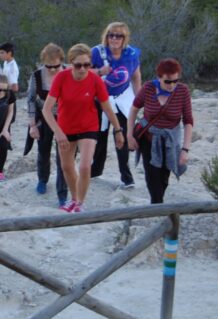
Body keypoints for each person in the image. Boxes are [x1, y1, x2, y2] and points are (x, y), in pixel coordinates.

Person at [42, 44, 124, 212]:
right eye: (78, 65)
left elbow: (107, 107)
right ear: (71, 63)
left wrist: (118, 130)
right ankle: (73, 198)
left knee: (85, 166)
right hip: (65, 128)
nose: (82, 69)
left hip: (89, 126)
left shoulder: (94, 80)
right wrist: (57, 132)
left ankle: (80, 203)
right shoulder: (61, 77)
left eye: (87, 65)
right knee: (67, 167)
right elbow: (46, 109)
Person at [127, 58, 194, 204]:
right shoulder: (148, 88)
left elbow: (188, 121)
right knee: (152, 175)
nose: (172, 85)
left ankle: (158, 203)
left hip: (170, 141)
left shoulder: (182, 91)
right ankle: (156, 204)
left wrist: (185, 149)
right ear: (159, 78)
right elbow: (134, 109)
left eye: (175, 81)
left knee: (164, 177)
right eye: (168, 81)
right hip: (149, 138)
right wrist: (129, 135)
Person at [90, 22, 142, 189]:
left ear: (124, 38)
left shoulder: (131, 54)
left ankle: (126, 177)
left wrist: (139, 98)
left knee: (122, 137)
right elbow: (81, 71)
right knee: (100, 137)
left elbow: (135, 75)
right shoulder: (96, 52)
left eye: (118, 35)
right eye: (111, 35)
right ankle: (95, 171)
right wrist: (99, 72)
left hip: (122, 98)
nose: (114, 38)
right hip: (101, 100)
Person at [26, 43, 69, 206]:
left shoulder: (69, 73)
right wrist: (32, 125)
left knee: (63, 155)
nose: (52, 70)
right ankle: (42, 179)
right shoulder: (37, 76)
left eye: (56, 66)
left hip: (65, 118)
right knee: (43, 150)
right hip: (43, 116)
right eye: (48, 66)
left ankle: (62, 193)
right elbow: (30, 99)